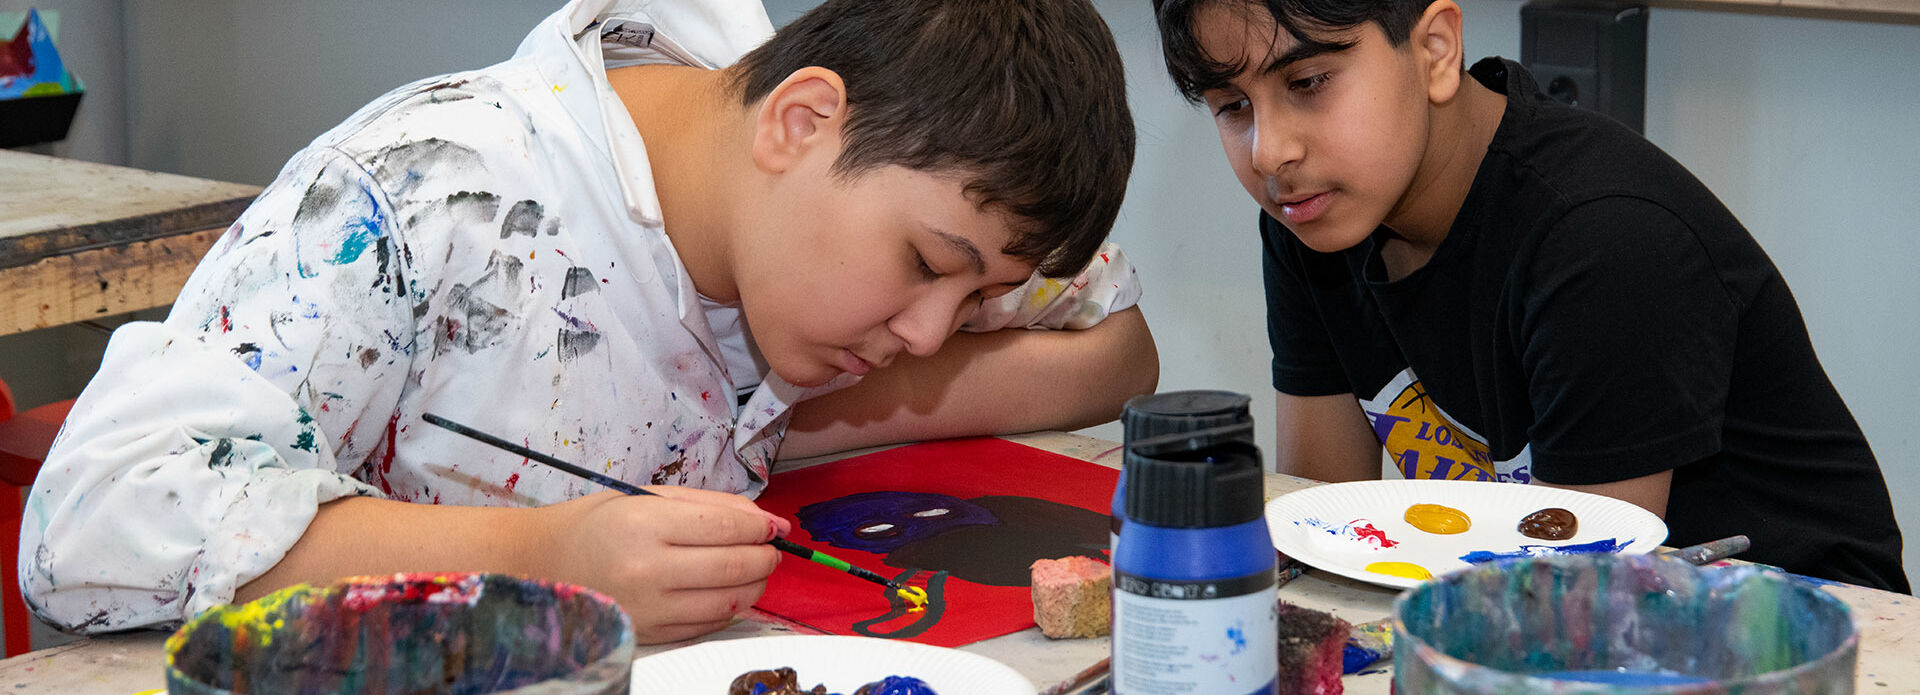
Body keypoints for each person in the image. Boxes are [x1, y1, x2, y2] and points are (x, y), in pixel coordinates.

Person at [23, 0, 1159, 641]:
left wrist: (826, 412)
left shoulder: (843, 208)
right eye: (926, 268)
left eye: (974, 299)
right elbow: (88, 520)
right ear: (800, 122)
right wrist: (539, 555)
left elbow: (1120, 347)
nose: (931, 332)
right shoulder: (423, 197)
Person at [1150, 0, 1906, 591]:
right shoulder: (1314, 220)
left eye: (1308, 83)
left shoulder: (1604, 241)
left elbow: (1575, 597)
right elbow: (1326, 531)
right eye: (1231, 105)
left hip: (1806, 639)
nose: (1270, 151)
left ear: (1436, 51)